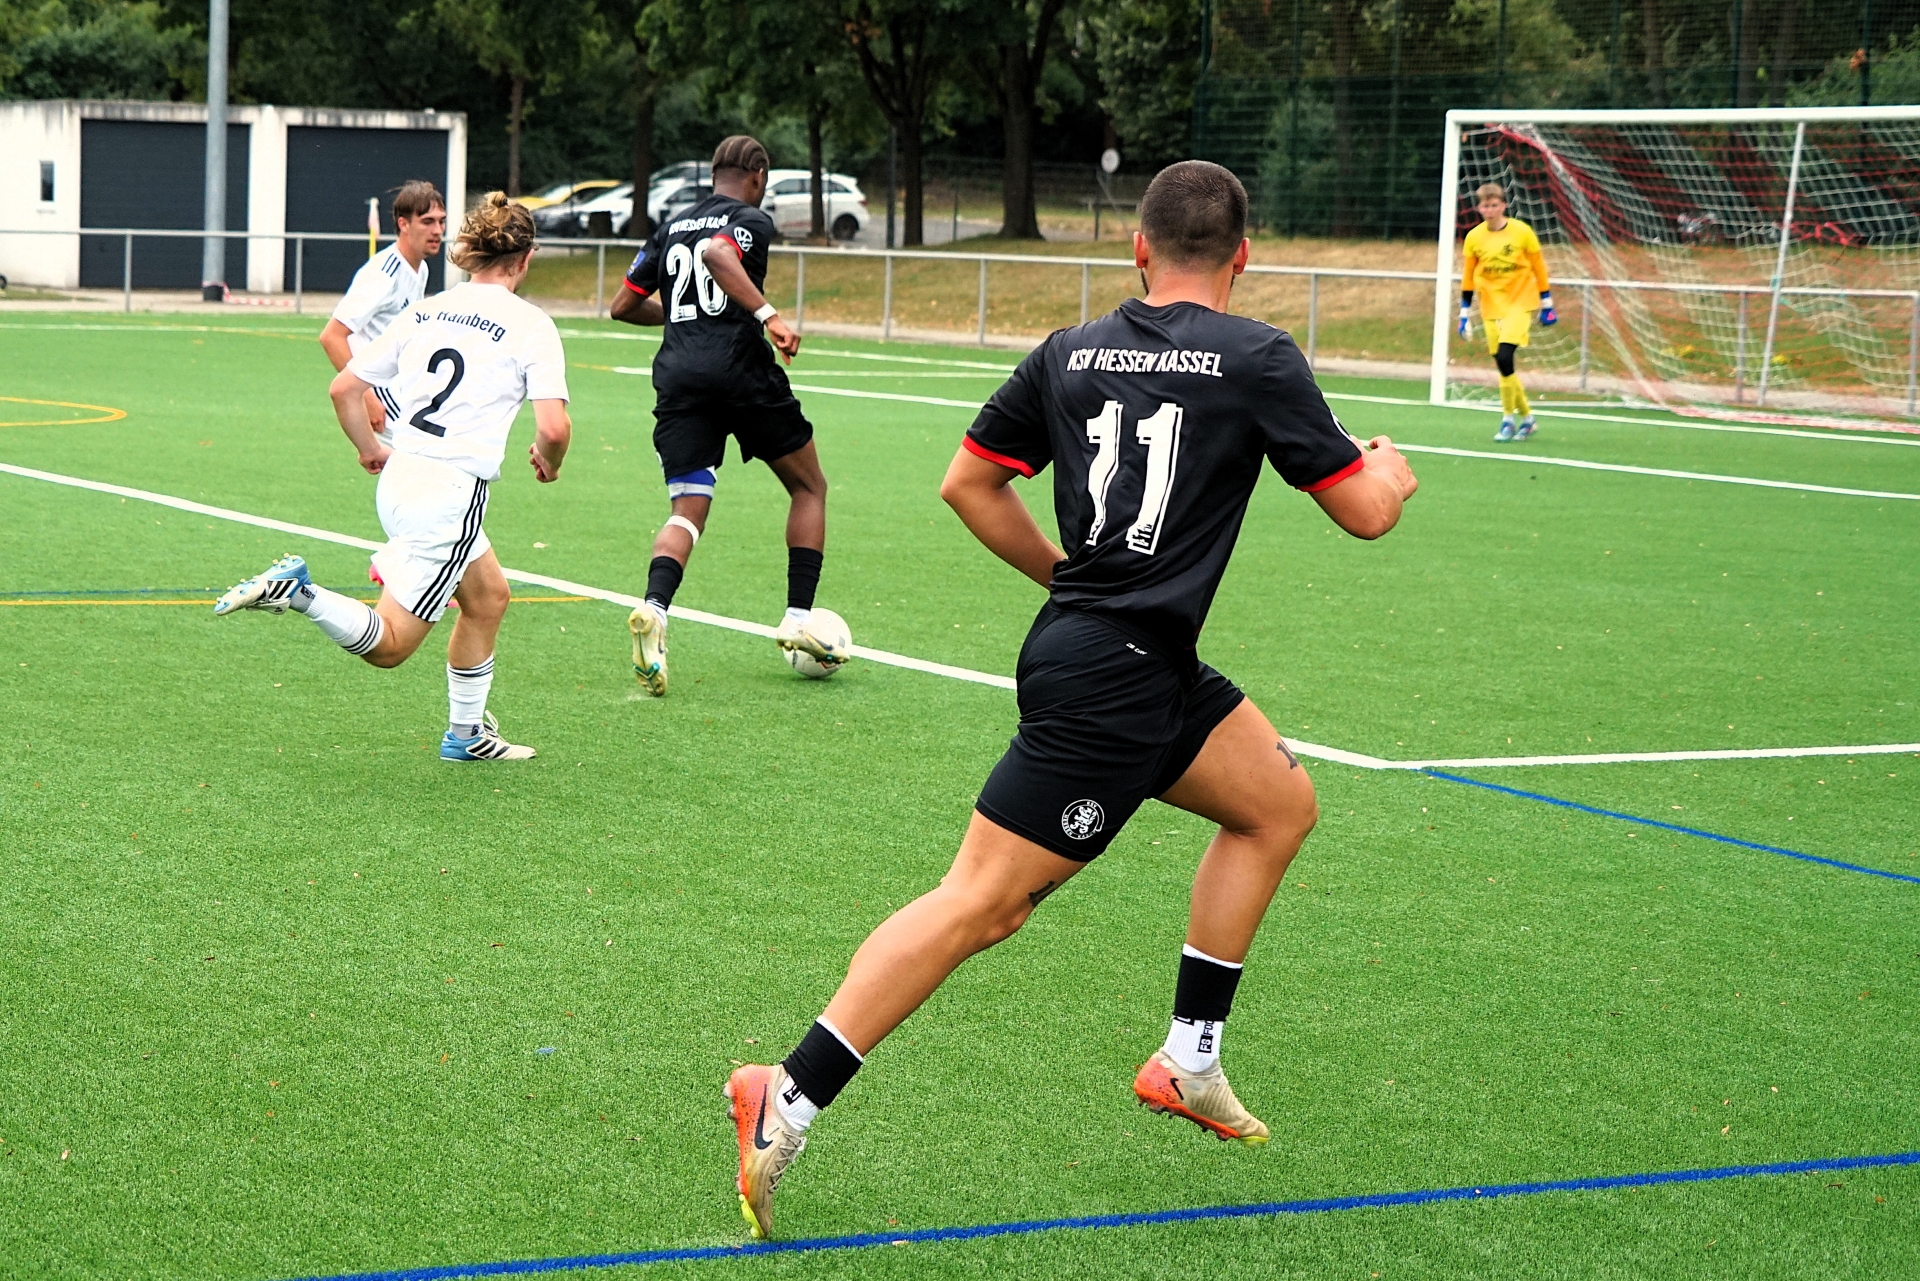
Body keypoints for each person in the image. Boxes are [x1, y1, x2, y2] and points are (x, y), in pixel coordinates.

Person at [722, 160, 1421, 1240]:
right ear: (1243, 256)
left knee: (1277, 805)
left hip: (1129, 658)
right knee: (982, 903)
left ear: (1138, 249)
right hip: (1113, 680)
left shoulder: (1069, 349)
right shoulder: (1258, 355)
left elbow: (967, 482)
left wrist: (1073, 583)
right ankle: (788, 1089)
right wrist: (1393, 470)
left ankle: (1187, 1060)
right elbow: (1367, 511)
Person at [215, 193, 572, 762]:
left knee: (488, 598)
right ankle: (301, 593)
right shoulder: (531, 324)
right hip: (449, 495)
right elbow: (553, 428)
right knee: (391, 646)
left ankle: (466, 735)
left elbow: (344, 389)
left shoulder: (427, 309)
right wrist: (550, 461)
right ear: (525, 258)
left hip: (402, 476)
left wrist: (370, 450)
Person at [609, 135, 840, 696]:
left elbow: (622, 306)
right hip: (741, 372)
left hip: (680, 377)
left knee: (687, 510)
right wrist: (770, 316)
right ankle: (797, 618)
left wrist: (681, 317)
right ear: (758, 176)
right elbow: (717, 255)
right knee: (809, 486)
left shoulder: (671, 226)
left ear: (714, 174)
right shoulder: (749, 219)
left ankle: (654, 610)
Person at [319, 180, 449, 440]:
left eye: (441, 221)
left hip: (405, 389)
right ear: (404, 224)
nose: (437, 230)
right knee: (428, 456)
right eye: (427, 222)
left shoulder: (420, 268)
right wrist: (365, 396)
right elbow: (331, 336)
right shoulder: (382, 275)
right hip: (383, 396)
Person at [1458, 182, 1555, 441]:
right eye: (1485, 206)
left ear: (1503, 205)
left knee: (1504, 356)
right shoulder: (1474, 238)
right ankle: (1528, 419)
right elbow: (1468, 277)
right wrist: (1464, 312)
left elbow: (1539, 267)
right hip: (1491, 306)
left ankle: (1507, 420)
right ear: (1479, 208)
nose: (1490, 210)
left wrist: (1547, 303)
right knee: (1504, 366)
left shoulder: (1522, 232)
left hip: (1520, 303)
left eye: (1494, 205)